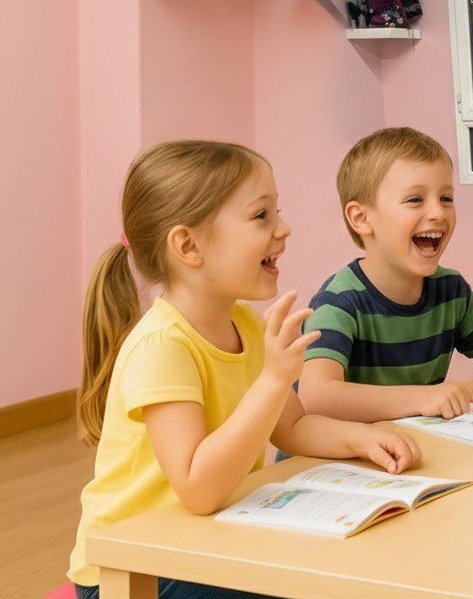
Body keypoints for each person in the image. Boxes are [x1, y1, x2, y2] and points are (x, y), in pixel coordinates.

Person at [69, 141, 421, 598]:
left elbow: (292, 426)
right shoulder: (163, 346)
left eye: (278, 212)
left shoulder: (245, 325)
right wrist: (274, 378)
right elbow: (198, 487)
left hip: (203, 540)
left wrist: (362, 437)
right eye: (261, 216)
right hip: (137, 568)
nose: (284, 228)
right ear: (188, 245)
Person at [297, 127, 473, 423]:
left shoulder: (450, 290)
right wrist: (423, 397)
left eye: (446, 198)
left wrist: (471, 395)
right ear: (362, 218)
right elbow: (316, 397)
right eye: (415, 200)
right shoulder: (338, 302)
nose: (439, 213)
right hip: (334, 464)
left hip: (408, 451)